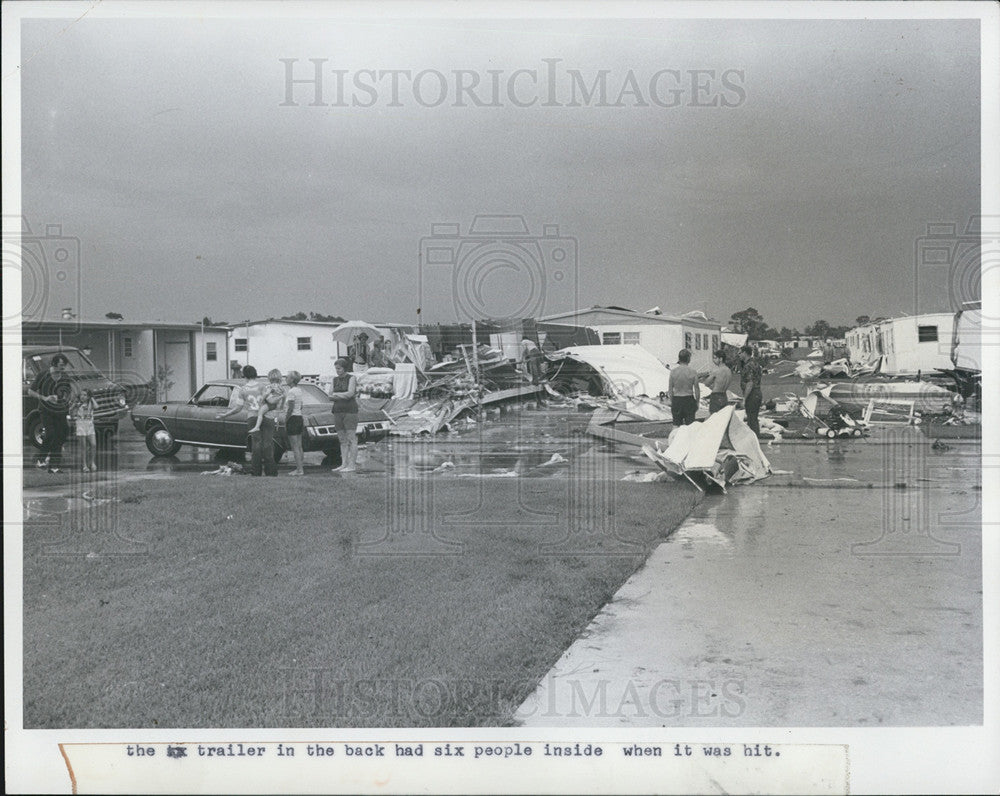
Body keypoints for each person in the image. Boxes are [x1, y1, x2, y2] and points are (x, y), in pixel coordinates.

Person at [216, 365, 277, 477]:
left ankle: (256, 472)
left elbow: (238, 408)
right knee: (268, 444)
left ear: (245, 375)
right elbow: (271, 401)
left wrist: (225, 415)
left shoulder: (243, 390)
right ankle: (271, 472)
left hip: (252, 417)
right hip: (267, 416)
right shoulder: (263, 386)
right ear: (255, 373)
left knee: (256, 445)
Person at [26, 353, 72, 472]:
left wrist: (67, 410)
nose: (63, 367)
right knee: (50, 433)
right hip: (45, 410)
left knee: (61, 435)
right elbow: (30, 391)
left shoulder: (65, 377)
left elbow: (67, 395)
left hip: (60, 411)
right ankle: (41, 459)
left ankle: (54, 466)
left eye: (64, 365)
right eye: (61, 365)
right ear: (54, 364)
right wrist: (45, 398)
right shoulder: (43, 375)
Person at [329, 357, 359, 473]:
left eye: (339, 369)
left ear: (344, 368)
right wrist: (341, 394)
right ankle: (343, 463)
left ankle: (352, 465)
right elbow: (329, 395)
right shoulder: (334, 379)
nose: (337, 371)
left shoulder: (351, 378)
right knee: (342, 439)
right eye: (336, 369)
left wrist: (336, 394)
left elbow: (350, 393)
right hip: (337, 410)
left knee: (351, 437)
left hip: (350, 410)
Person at [668, 349, 700, 426]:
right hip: (688, 399)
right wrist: (697, 402)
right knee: (690, 426)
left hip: (677, 399)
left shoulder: (673, 371)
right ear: (688, 358)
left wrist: (673, 401)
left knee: (676, 426)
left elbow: (670, 389)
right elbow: (696, 389)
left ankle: (675, 438)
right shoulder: (693, 371)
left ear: (679, 358)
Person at [284, 370, 306, 476]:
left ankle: (299, 470)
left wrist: (285, 420)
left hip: (292, 419)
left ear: (292, 380)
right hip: (299, 417)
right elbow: (300, 405)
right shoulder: (299, 390)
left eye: (287, 377)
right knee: (299, 445)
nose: (286, 378)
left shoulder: (291, 392)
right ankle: (300, 467)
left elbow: (290, 408)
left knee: (294, 446)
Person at [250, 369, 286, 434]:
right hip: (277, 406)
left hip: (270, 405)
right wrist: (282, 405)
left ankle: (257, 426)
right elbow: (285, 396)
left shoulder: (268, 386)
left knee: (260, 413)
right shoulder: (281, 387)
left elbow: (265, 396)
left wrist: (262, 400)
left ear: (269, 378)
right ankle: (277, 426)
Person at [72, 388, 99, 472]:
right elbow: (72, 413)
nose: (82, 397)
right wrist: (74, 407)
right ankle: (84, 465)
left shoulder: (91, 403)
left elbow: (96, 407)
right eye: (81, 395)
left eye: (85, 395)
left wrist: (92, 398)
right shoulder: (78, 404)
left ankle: (92, 462)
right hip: (81, 424)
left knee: (93, 444)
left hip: (90, 425)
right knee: (83, 446)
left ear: (88, 396)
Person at [740, 344, 764, 436]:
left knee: (751, 420)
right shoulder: (756, 363)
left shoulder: (748, 366)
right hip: (757, 392)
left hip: (752, 394)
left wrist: (744, 398)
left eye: (740, 353)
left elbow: (750, 383)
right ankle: (756, 438)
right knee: (754, 419)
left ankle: (754, 441)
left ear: (745, 353)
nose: (739, 355)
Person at [704, 349, 734, 414]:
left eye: (715, 358)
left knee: (713, 418)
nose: (713, 360)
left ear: (720, 359)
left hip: (716, 396)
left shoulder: (716, 371)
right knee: (722, 418)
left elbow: (706, 383)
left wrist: (709, 376)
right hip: (724, 396)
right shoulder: (729, 371)